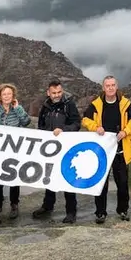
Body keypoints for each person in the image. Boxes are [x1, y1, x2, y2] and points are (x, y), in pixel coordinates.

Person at [82, 75, 131, 224]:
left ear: (117, 86)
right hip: (102, 151)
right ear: (103, 88)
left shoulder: (126, 104)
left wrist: (125, 131)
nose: (110, 88)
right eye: (107, 85)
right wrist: (96, 127)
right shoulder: (96, 104)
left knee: (123, 183)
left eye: (113, 85)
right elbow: (85, 120)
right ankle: (100, 212)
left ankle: (123, 210)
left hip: (121, 150)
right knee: (101, 182)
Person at [31, 80, 82, 223]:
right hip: (49, 149)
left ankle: (71, 211)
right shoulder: (45, 106)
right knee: (49, 178)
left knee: (67, 178)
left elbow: (77, 123)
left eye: (59, 92)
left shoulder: (69, 105)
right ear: (48, 93)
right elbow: (40, 125)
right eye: (54, 93)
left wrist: (64, 130)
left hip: (66, 148)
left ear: (62, 91)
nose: (57, 95)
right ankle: (47, 206)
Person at [0, 83, 30, 220]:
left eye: (9, 94)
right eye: (4, 94)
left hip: (13, 150)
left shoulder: (18, 109)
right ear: (0, 96)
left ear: (13, 95)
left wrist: (18, 109)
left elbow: (26, 122)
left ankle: (14, 204)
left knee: (13, 177)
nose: (7, 96)